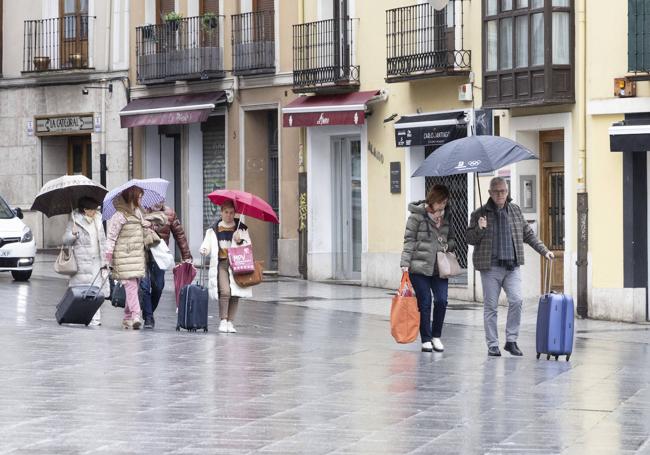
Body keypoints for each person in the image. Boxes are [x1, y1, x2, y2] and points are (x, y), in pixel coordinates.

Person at [466, 177, 554, 357]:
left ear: (507, 191)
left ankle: (511, 341)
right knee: (491, 307)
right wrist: (480, 228)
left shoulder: (515, 210)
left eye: (503, 191)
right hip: (490, 267)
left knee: (517, 301)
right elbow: (469, 239)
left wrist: (544, 251)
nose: (500, 194)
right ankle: (492, 345)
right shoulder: (479, 214)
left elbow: (528, 235)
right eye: (496, 191)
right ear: (490, 193)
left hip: (512, 267)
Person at [400, 184, 456, 353]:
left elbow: (452, 239)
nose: (443, 206)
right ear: (432, 200)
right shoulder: (416, 217)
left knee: (442, 300)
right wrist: (405, 263)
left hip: (440, 267)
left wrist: (446, 244)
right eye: (440, 202)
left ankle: (436, 336)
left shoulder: (447, 217)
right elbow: (409, 240)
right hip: (419, 267)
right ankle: (426, 338)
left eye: (445, 202)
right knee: (425, 303)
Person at [199, 200, 252, 333]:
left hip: (237, 263)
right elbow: (207, 243)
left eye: (231, 212)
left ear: (234, 213)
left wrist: (240, 240)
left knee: (235, 293)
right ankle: (223, 320)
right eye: (226, 212)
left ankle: (230, 322)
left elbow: (248, 247)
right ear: (221, 212)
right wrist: (204, 249)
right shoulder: (213, 229)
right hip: (222, 263)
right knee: (225, 291)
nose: (229, 215)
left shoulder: (241, 228)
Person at [140, 203, 192, 329]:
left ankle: (148, 310)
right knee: (144, 286)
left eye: (160, 199)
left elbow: (179, 235)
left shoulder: (170, 213)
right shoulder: (141, 212)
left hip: (160, 256)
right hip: (142, 254)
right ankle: (148, 317)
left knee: (159, 286)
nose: (158, 202)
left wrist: (186, 256)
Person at [105, 186, 149, 330]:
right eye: (139, 197)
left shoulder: (139, 212)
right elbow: (111, 237)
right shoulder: (119, 215)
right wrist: (109, 257)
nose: (141, 199)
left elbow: (143, 232)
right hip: (123, 256)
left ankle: (127, 317)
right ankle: (136, 315)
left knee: (134, 287)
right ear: (132, 197)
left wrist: (146, 225)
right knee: (131, 286)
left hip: (137, 255)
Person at [62, 197, 108, 326]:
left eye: (95, 209)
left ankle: (96, 318)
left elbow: (103, 240)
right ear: (85, 210)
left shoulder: (98, 219)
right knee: (80, 290)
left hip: (97, 260)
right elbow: (65, 240)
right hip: (81, 261)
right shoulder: (75, 221)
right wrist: (73, 234)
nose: (94, 212)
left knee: (97, 290)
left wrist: (106, 260)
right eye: (91, 209)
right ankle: (76, 316)